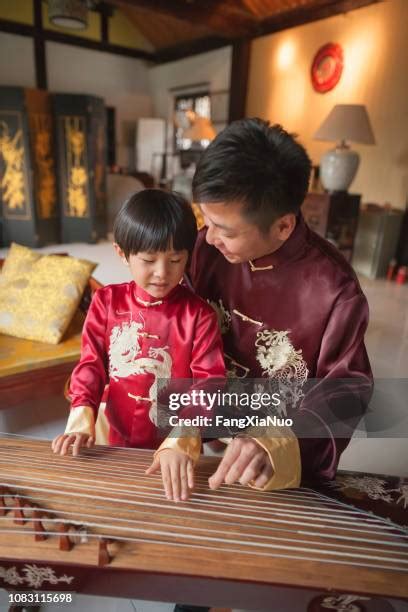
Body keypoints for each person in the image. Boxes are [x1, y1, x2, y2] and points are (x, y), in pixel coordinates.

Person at [188, 118, 373, 494]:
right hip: (202, 434)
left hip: (270, 460)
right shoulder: (204, 250)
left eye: (226, 229)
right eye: (205, 220)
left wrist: (274, 442)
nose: (208, 238)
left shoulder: (334, 289)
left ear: (284, 227)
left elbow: (346, 393)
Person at [52, 189, 226, 502]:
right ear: (122, 253)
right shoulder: (107, 301)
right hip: (114, 427)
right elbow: (91, 363)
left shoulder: (198, 314)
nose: (162, 273)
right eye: (148, 260)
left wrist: (181, 442)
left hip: (174, 439)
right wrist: (80, 419)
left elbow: (209, 382)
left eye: (176, 260)